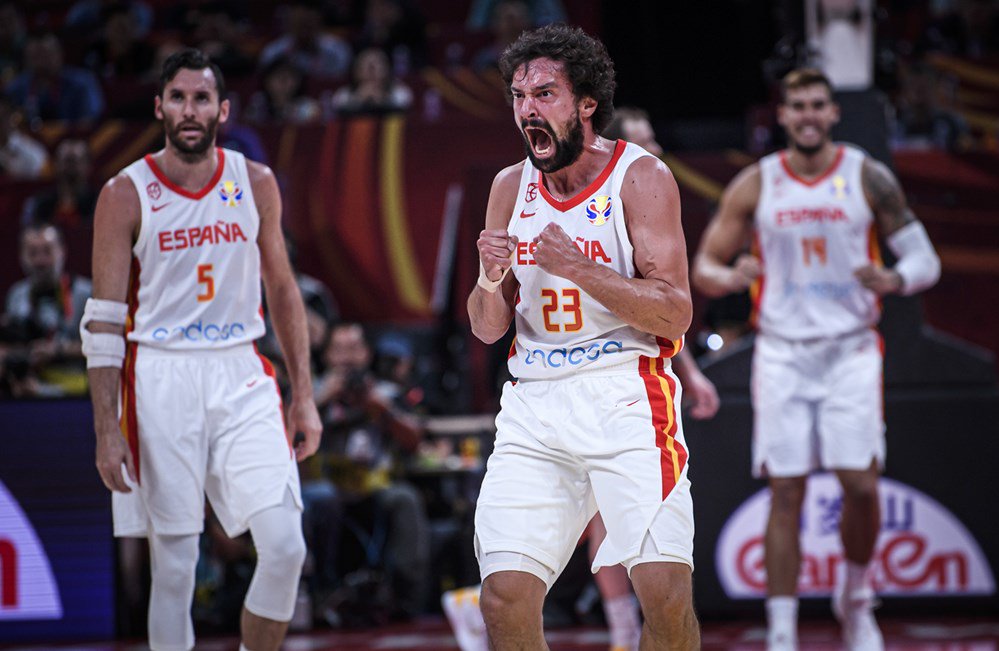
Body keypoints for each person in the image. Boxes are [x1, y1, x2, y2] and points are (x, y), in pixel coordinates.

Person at [691, 68, 941, 651]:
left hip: (850, 351)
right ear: (782, 115)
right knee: (786, 491)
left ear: (833, 113)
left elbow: (925, 259)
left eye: (817, 105)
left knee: (860, 484)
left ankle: (855, 599)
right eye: (796, 105)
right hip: (781, 353)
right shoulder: (758, 184)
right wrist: (732, 275)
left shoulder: (866, 176)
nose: (807, 114)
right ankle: (781, 631)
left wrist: (894, 277)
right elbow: (705, 264)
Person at [467, 24, 699, 650]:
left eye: (544, 94)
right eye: (519, 96)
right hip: (535, 400)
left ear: (586, 103)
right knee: (504, 595)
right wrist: (491, 283)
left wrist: (578, 267)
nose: (527, 110)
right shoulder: (508, 188)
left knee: (667, 599)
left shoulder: (640, 177)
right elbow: (488, 329)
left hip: (625, 392)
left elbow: (675, 312)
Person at [83, 49, 322, 651]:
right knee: (176, 565)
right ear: (159, 106)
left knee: (286, 545)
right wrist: (106, 429)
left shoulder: (255, 181)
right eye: (179, 97)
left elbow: (284, 292)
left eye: (202, 98)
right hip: (160, 374)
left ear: (223, 109)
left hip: (241, 367)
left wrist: (305, 397)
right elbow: (104, 322)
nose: (191, 110)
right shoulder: (124, 192)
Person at [1, 223, 90, 397]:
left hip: (76, 392)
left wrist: (57, 350)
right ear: (21, 256)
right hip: (28, 388)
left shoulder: (85, 293)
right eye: (32, 253)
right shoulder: (17, 295)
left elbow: (103, 346)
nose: (40, 261)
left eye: (47, 251)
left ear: (62, 251)